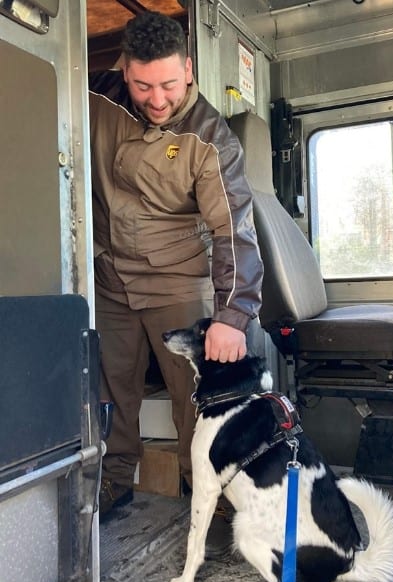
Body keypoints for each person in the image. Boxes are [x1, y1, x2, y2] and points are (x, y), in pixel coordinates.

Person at [89, 10, 263, 526]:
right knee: (109, 391)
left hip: (177, 281)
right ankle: (111, 484)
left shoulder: (211, 138)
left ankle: (212, 498)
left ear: (188, 69)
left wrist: (233, 316)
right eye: (143, 86)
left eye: (168, 83)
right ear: (125, 72)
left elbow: (233, 229)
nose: (157, 99)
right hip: (109, 276)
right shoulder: (95, 97)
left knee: (197, 403)